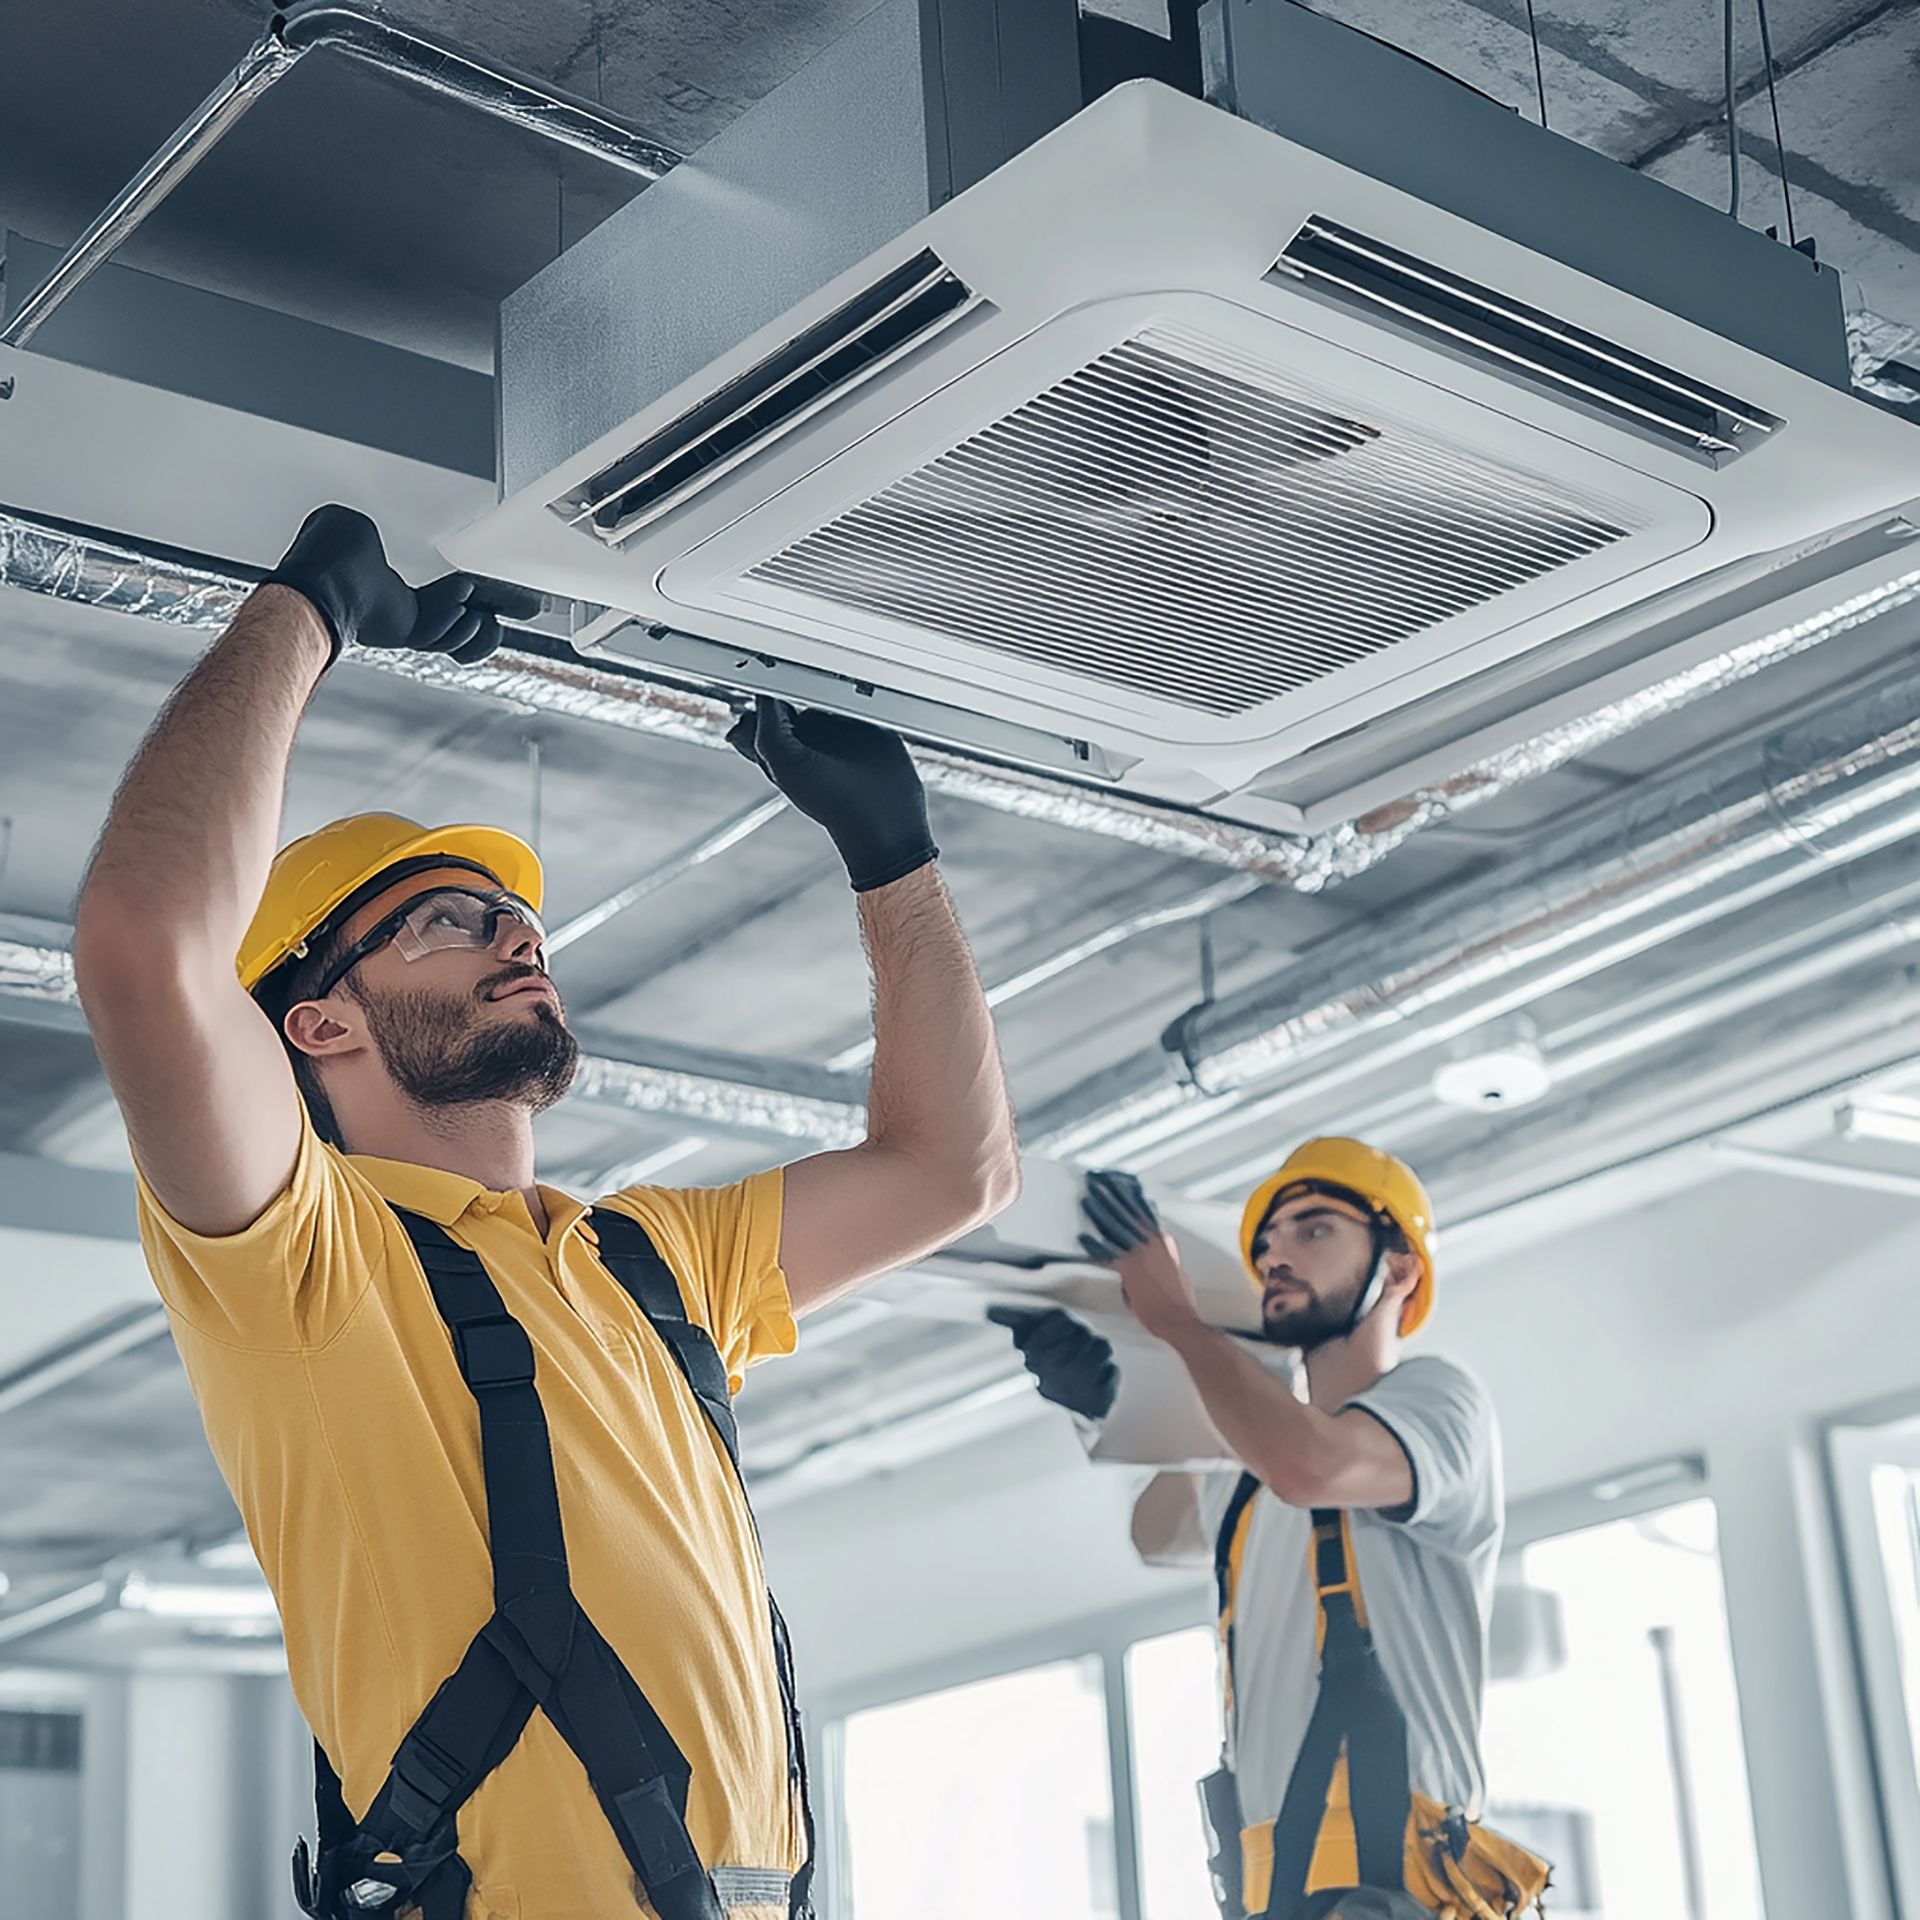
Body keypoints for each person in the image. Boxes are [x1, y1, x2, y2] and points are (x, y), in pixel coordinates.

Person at [72, 505, 1020, 1920]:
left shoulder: (646, 1263)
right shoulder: (307, 1260)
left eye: (519, 923)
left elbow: (955, 1168)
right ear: (317, 1022)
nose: (521, 935)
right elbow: (147, 947)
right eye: (450, 920)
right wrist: (310, 604)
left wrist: (896, 863)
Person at [993, 1142, 1547, 1920]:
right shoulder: (1248, 1467)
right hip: (1279, 1890)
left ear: (1399, 1270)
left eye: (1313, 1231)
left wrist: (1179, 1323)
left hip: (1395, 1888)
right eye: (1268, 1243)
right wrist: (1109, 1402)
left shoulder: (1437, 1401)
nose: (1277, 1256)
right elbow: (1157, 1532)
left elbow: (1313, 1466)